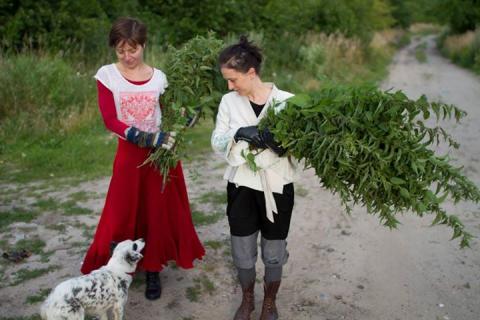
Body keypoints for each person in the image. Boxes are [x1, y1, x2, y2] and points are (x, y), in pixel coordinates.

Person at [81, 17, 205, 300]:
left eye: (132, 49)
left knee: (156, 211)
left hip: (161, 154)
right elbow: (110, 119)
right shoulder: (107, 75)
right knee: (123, 209)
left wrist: (186, 118)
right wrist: (143, 137)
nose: (127, 56)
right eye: (121, 50)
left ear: (144, 46)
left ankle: (152, 269)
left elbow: (171, 113)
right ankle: (116, 265)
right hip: (130, 152)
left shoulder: (160, 77)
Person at [211, 36, 296, 320]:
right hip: (242, 187)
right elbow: (216, 141)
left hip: (277, 186)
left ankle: (269, 302)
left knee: (273, 250)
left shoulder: (286, 103)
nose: (229, 86)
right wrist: (239, 133)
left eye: (233, 79)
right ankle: (247, 298)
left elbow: (302, 148)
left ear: (251, 73)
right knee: (242, 249)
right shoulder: (228, 102)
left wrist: (284, 144)